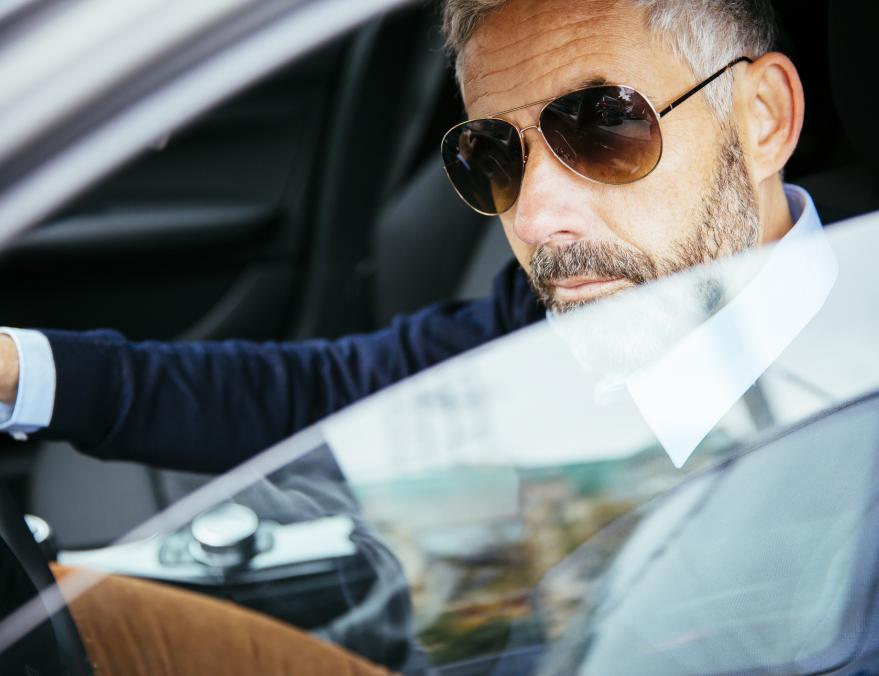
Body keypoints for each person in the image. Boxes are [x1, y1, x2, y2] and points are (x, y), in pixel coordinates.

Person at [0, 0, 818, 672]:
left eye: (604, 126)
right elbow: (323, 395)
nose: (532, 217)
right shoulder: (544, 314)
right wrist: (19, 373)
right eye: (491, 153)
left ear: (762, 119)